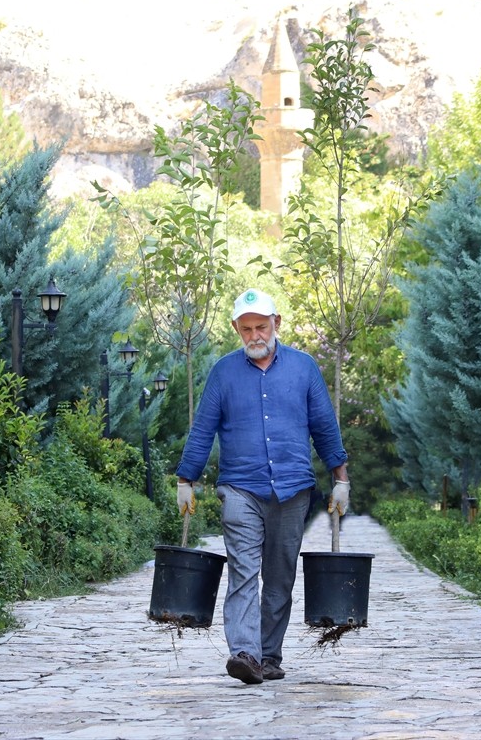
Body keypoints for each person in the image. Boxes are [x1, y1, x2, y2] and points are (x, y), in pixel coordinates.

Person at [175, 287, 349, 685]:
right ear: (237, 329)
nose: (254, 335)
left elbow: (324, 426)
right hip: (240, 488)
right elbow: (203, 429)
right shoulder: (223, 371)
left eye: (261, 326)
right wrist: (186, 479)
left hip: (293, 490)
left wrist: (341, 479)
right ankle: (245, 652)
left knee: (280, 577)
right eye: (246, 328)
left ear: (277, 324)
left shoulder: (304, 368)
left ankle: (269, 655)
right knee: (243, 570)